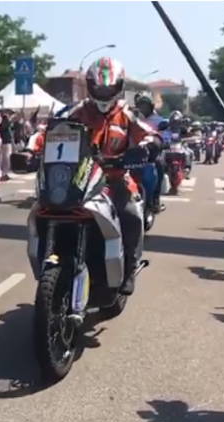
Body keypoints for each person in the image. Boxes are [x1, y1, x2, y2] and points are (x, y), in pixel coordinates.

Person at [64, 57, 161, 296]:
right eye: (99, 87)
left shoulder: (127, 114)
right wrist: (32, 150)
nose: (104, 92)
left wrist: (148, 147)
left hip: (115, 178)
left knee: (130, 214)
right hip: (79, 180)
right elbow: (51, 132)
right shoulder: (77, 112)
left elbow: (151, 134)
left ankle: (129, 268)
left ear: (118, 87)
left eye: (109, 87)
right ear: (90, 85)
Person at [134, 92, 166, 212]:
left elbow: (164, 136)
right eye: (140, 105)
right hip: (134, 149)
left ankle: (155, 200)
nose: (143, 108)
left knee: (159, 163)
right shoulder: (132, 117)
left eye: (145, 106)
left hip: (152, 151)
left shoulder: (158, 120)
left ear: (151, 107)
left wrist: (159, 142)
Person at [0, 112, 14, 181]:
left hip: (5, 142)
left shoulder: (3, 125)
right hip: (5, 143)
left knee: (5, 159)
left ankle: (4, 174)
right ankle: (3, 174)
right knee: (6, 159)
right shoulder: (4, 124)